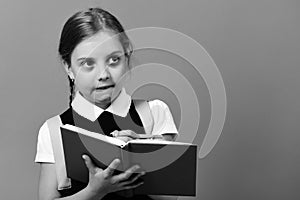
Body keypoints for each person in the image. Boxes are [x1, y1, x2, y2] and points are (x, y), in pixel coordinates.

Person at [35, 7, 178, 200]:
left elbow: (172, 197)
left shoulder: (154, 112)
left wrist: (145, 157)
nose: (103, 75)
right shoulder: (53, 130)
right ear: (68, 67)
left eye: (114, 60)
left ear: (127, 58)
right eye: (88, 64)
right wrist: (94, 191)